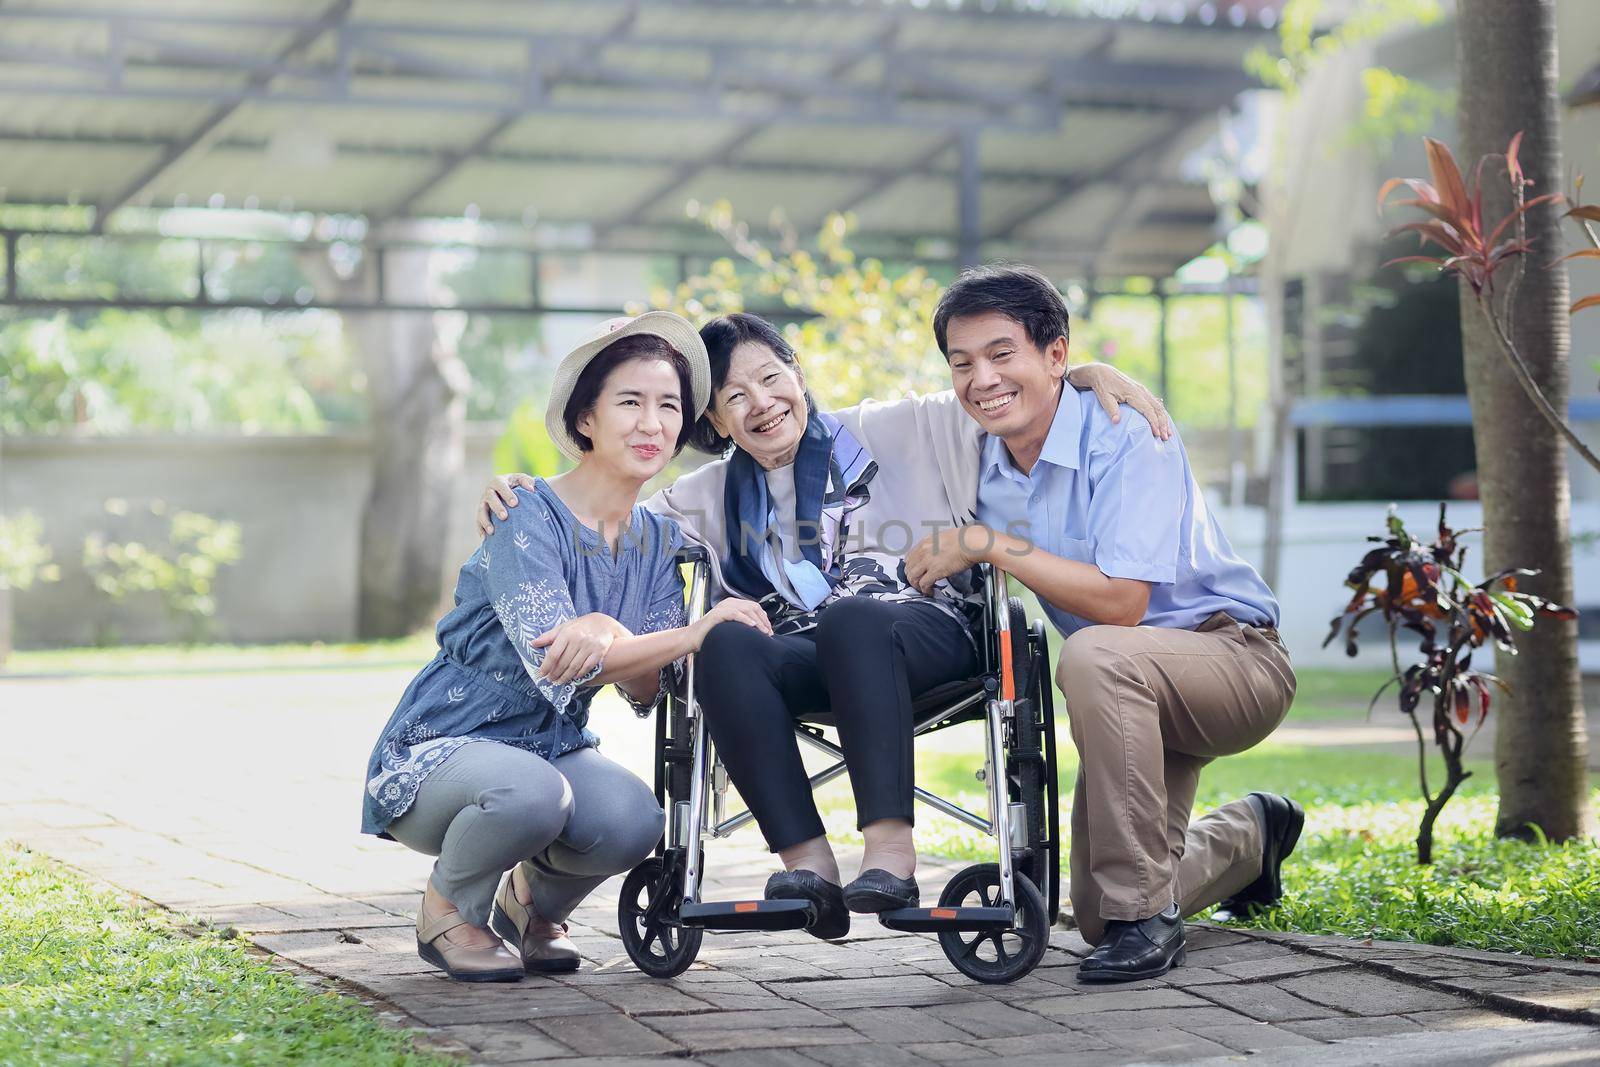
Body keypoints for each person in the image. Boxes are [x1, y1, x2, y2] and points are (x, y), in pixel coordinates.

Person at [478, 313, 1166, 942]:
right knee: (724, 638)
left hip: (926, 635)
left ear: (798, 375)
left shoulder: (896, 429)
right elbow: (600, 504)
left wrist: (1080, 373)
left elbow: (1000, 391)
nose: (762, 402)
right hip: (809, 653)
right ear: (714, 422)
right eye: (734, 397)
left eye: (771, 378)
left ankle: (890, 852)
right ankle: (808, 865)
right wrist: (522, 491)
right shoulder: (704, 498)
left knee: (853, 615)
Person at [904, 263, 1301, 984]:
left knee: (1093, 654)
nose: (982, 379)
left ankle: (1149, 919)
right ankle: (1254, 834)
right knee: (1096, 913)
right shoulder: (975, 460)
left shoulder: (1125, 431)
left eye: (1002, 354)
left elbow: (1123, 604)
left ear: (1055, 354)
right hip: (1132, 692)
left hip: (1233, 659)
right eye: (962, 364)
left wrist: (992, 544)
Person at [361, 312, 770, 983]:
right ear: (586, 419)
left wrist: (622, 636)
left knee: (634, 818)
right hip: (441, 749)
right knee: (533, 795)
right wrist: (675, 630)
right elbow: (554, 657)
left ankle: (528, 906)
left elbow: (647, 684)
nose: (652, 423)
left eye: (669, 405)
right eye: (630, 402)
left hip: (548, 749)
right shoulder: (524, 515)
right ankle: (447, 911)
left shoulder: (659, 541)